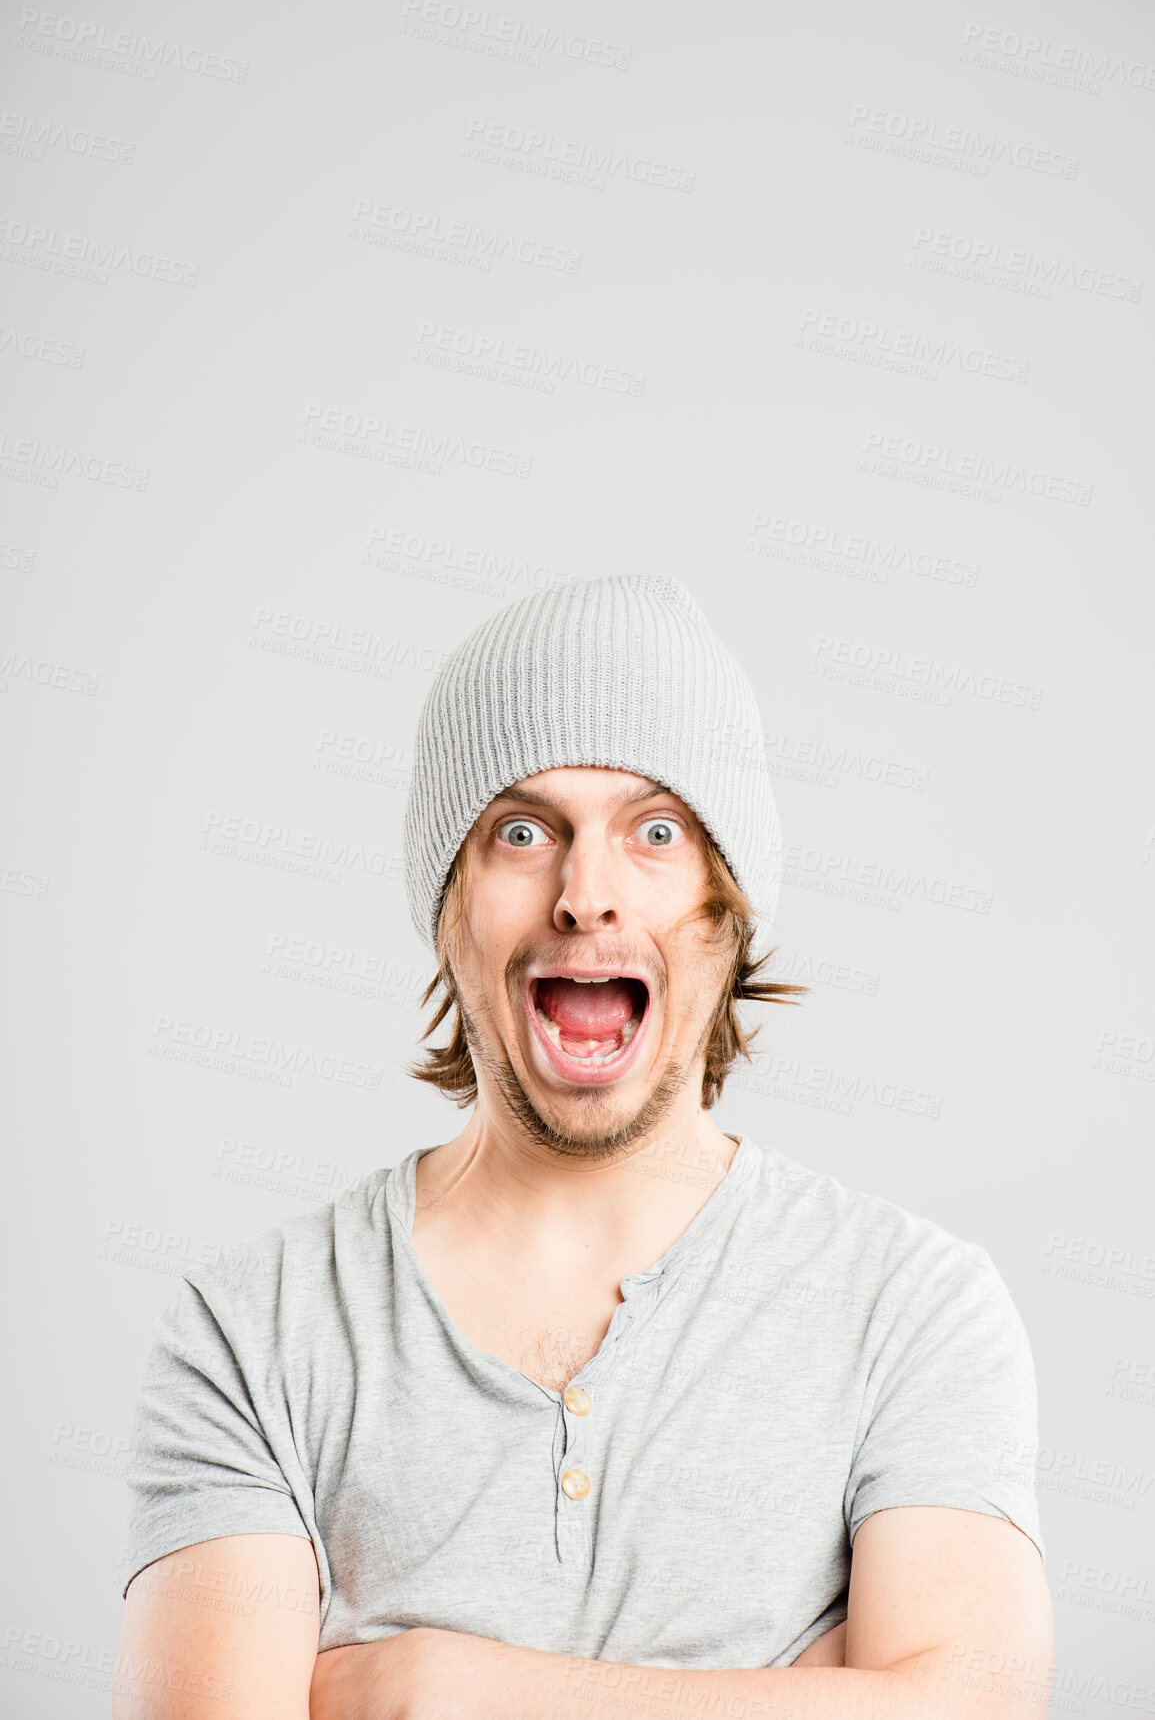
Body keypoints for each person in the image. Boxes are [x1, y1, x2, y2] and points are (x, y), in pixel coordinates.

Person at [114, 575, 1053, 1718]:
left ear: (728, 902)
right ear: (447, 900)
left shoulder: (912, 1307)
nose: (585, 896)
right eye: (522, 831)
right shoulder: (254, 1329)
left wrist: (439, 1688)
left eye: (656, 831)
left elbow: (973, 1708)